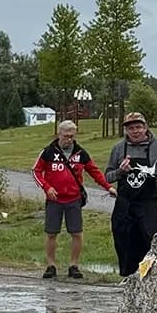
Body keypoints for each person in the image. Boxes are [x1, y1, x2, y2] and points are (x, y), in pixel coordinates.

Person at [32, 120, 116, 280]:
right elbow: (36, 171)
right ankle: (51, 265)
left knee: (76, 233)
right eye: (66, 136)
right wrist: (46, 187)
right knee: (51, 233)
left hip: (73, 199)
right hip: (54, 199)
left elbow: (94, 171)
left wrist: (108, 187)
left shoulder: (81, 153)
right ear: (59, 134)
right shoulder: (48, 152)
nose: (69, 140)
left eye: (72, 136)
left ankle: (74, 265)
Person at [105, 111, 157, 277]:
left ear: (146, 127)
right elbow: (108, 176)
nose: (135, 131)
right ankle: (126, 278)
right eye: (131, 128)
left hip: (148, 204)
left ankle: (152, 279)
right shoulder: (118, 148)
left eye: (138, 127)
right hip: (124, 204)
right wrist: (120, 172)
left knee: (151, 241)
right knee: (124, 242)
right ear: (126, 130)